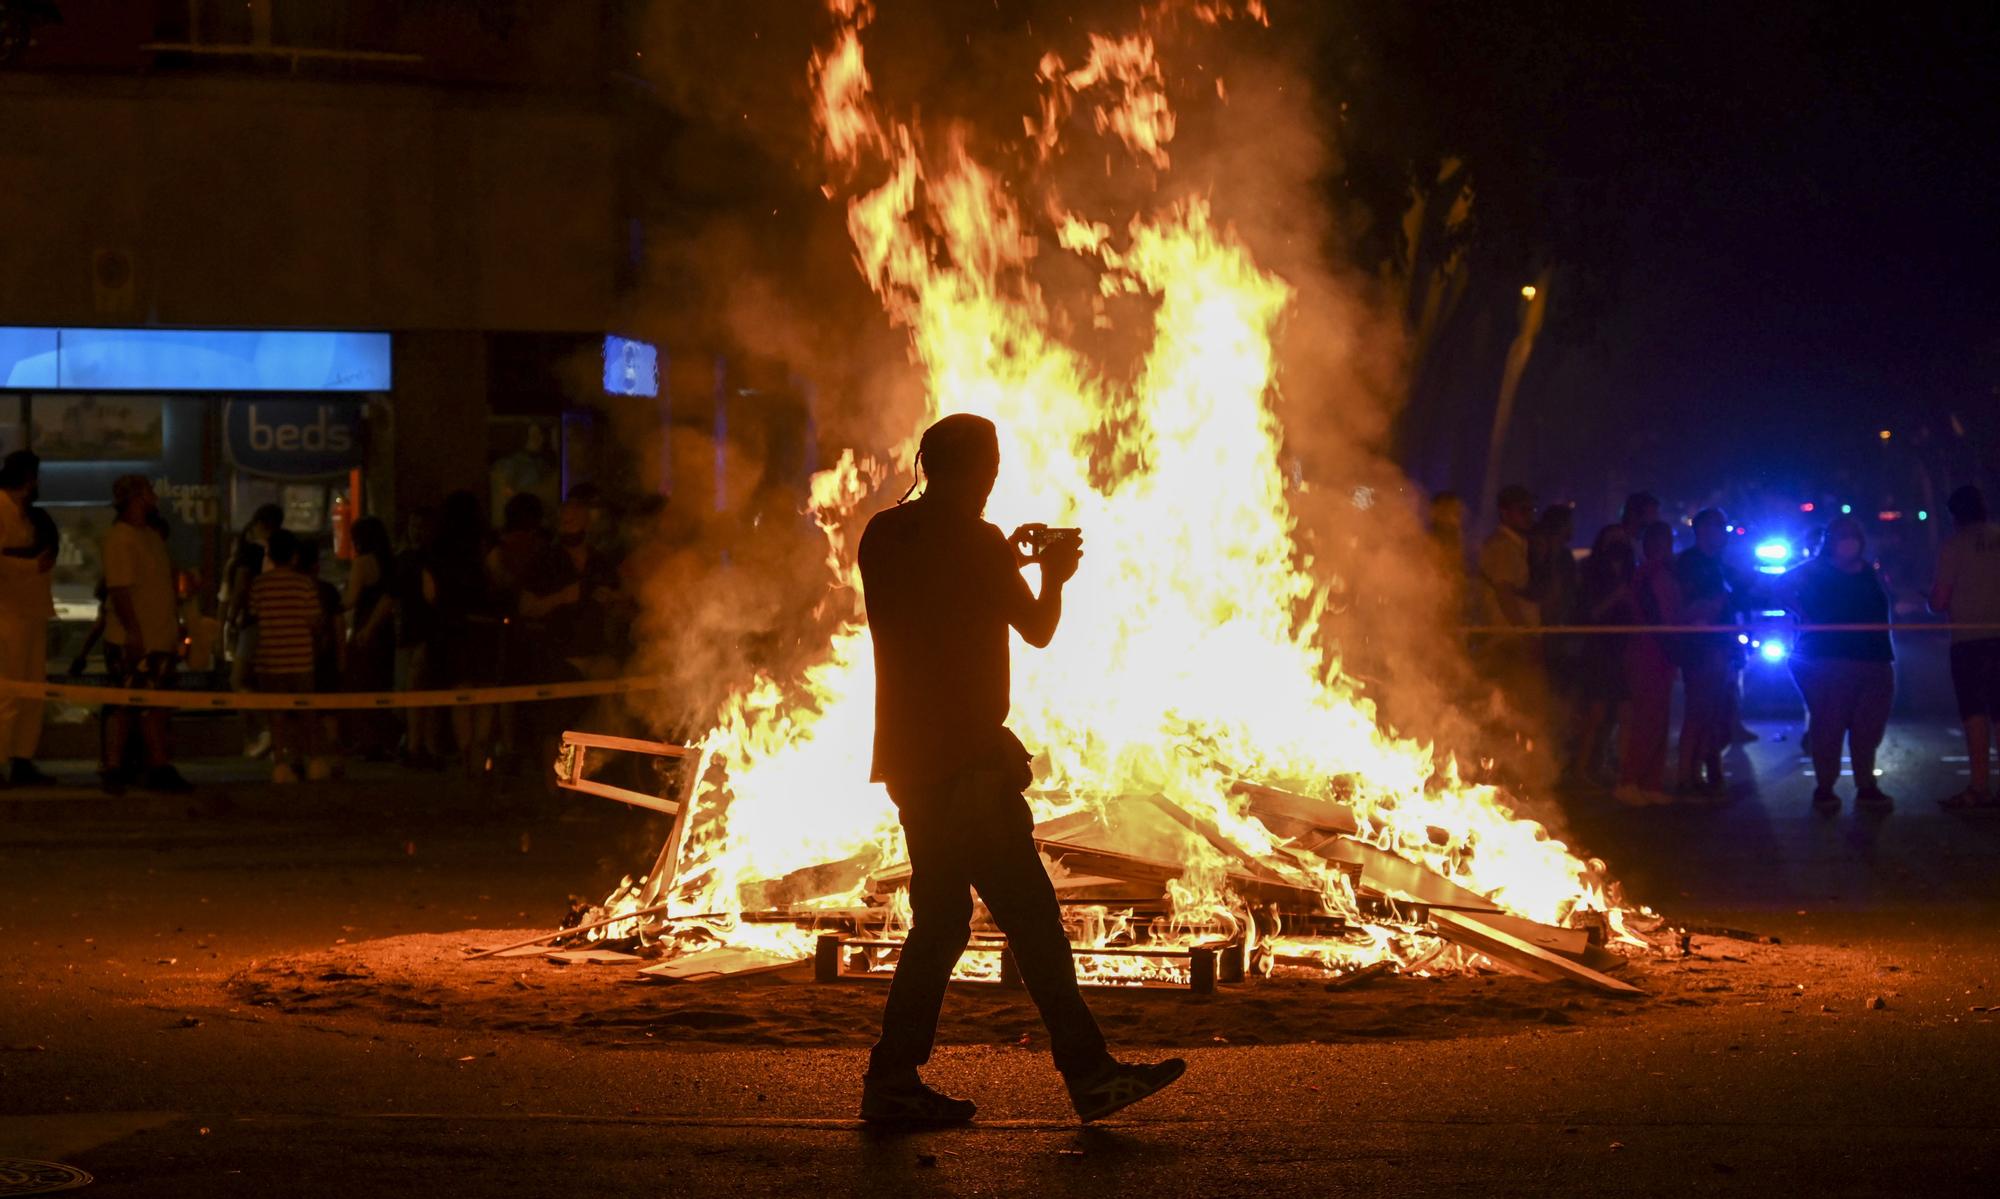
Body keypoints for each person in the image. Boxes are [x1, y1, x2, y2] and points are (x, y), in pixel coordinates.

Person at [857, 413, 1184, 1126]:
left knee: (940, 921)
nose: (997, 474)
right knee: (1033, 920)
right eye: (993, 463)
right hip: (969, 765)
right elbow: (1035, 627)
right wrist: (1055, 575)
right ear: (979, 469)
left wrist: (1010, 555)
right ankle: (1089, 1073)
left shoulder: (884, 534)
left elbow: (940, 593)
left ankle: (892, 1077)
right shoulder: (976, 542)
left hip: (911, 762)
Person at [1784, 516, 1895, 813]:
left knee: (1867, 728)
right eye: (1843, 535)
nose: (1849, 541)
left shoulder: (1869, 572)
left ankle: (1866, 785)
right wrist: (1801, 612)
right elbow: (1779, 585)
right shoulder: (1815, 571)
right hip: (1829, 659)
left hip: (1874, 659)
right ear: (1830, 541)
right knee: (1829, 726)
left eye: (1854, 534)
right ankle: (1825, 788)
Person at [100, 475, 192, 795]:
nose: (155, 496)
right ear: (137, 497)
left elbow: (163, 585)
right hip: (137, 639)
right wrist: (133, 632)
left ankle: (156, 764)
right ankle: (115, 765)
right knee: (124, 703)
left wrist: (175, 623)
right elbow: (120, 590)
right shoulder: (121, 539)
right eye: (150, 491)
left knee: (156, 704)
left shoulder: (151, 537)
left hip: (160, 636)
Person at [1933, 485, 2000, 808]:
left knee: (1974, 714)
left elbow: (1941, 599)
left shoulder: (1954, 546)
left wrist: (1929, 601)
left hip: (1968, 639)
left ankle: (1979, 787)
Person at [247, 530, 323, 784]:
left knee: (276, 717)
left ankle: (281, 764)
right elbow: (314, 621)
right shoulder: (304, 584)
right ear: (294, 556)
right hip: (300, 658)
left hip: (269, 659)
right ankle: (311, 761)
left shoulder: (260, 584)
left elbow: (255, 618)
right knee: (306, 714)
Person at [1672, 509, 1737, 795]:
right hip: (1701, 646)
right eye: (1718, 527)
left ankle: (1701, 770)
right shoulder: (1690, 563)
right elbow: (1686, 606)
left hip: (1719, 644)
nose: (1723, 532)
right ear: (1703, 530)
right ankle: (1686, 775)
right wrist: (1710, 606)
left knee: (1711, 712)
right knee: (1698, 710)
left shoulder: (1718, 562)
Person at [0, 451, 56, 785]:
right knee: (8, 688)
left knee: (33, 688)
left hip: (31, 608)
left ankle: (22, 758)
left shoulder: (25, 514)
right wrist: (31, 565)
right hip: (8, 611)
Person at [1616, 521, 1680, 804]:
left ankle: (1650, 783)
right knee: (1647, 719)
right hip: (1649, 652)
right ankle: (1630, 781)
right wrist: (1671, 645)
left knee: (1660, 718)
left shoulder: (1662, 574)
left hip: (1661, 652)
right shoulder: (1647, 575)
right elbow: (1655, 617)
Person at [1573, 524, 1638, 785]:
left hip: (1622, 647)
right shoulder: (1591, 572)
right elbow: (1589, 614)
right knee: (1596, 711)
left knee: (1622, 711)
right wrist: (1615, 597)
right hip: (1599, 648)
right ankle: (1581, 768)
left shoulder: (1630, 572)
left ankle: (1616, 768)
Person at [342, 516, 398, 759]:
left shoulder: (362, 563)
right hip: (387, 630)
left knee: (361, 683)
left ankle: (367, 741)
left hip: (366, 626)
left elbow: (351, 599)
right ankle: (386, 740)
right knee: (382, 684)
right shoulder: (390, 562)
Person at [297, 539, 345, 780]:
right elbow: (338, 628)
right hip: (325, 662)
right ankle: (333, 760)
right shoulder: (327, 591)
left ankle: (309, 760)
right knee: (328, 717)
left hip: (300, 660)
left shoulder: (295, 591)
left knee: (304, 714)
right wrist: (342, 660)